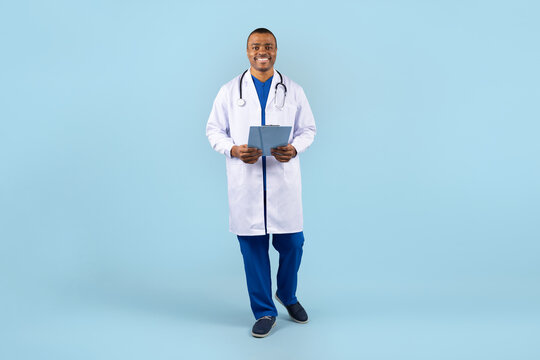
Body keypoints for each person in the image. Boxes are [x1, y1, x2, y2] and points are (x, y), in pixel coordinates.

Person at [206, 28, 316, 338]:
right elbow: (214, 130)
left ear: (276, 51)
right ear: (247, 51)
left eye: (268, 46)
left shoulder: (293, 90)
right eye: (256, 46)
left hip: (283, 184)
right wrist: (233, 149)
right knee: (253, 250)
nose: (261, 51)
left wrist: (295, 148)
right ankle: (265, 311)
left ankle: (288, 295)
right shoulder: (230, 91)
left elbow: (308, 129)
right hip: (247, 183)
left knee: (293, 243)